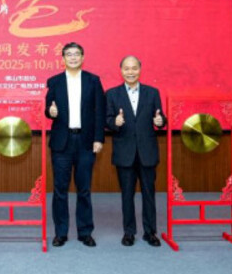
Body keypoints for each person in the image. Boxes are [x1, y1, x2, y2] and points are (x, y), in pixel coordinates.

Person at [45, 42, 105, 247]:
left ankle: (85, 232)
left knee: (84, 189)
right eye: (69, 54)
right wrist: (50, 111)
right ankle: (60, 233)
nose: (72, 57)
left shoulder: (93, 81)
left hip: (86, 141)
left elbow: (100, 111)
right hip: (62, 142)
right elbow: (48, 108)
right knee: (60, 189)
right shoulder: (54, 82)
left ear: (82, 57)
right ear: (62, 58)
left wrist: (98, 139)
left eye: (76, 54)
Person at [105, 55, 164, 247]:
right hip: (125, 153)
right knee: (127, 195)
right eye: (127, 68)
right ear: (121, 71)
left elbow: (160, 117)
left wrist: (160, 121)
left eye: (134, 68)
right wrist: (114, 122)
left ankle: (150, 232)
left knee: (149, 194)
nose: (130, 72)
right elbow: (107, 120)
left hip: (147, 152)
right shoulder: (112, 94)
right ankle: (129, 232)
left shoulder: (152, 92)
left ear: (140, 69)